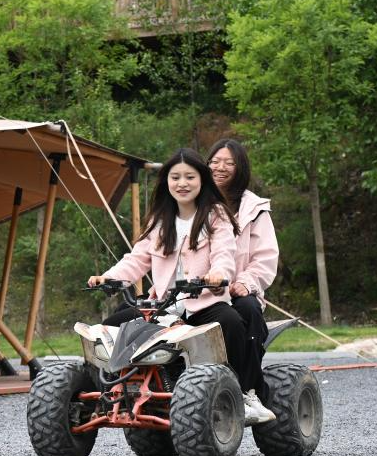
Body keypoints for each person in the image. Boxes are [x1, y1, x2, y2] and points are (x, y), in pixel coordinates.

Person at [88, 147, 275, 425]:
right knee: (112, 326)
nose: (182, 184)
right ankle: (113, 393)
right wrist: (108, 278)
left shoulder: (217, 215)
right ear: (166, 181)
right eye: (175, 177)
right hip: (164, 305)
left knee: (232, 322)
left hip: (204, 302)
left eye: (190, 177)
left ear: (202, 181)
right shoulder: (159, 220)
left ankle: (244, 394)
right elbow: (136, 259)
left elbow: (224, 255)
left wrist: (217, 274)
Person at [207, 138, 279, 407]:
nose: (220, 167)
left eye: (229, 163)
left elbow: (265, 257)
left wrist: (246, 283)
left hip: (238, 289)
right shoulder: (194, 202)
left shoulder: (255, 210)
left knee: (248, 310)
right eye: (215, 161)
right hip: (198, 291)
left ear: (241, 168)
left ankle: (249, 390)